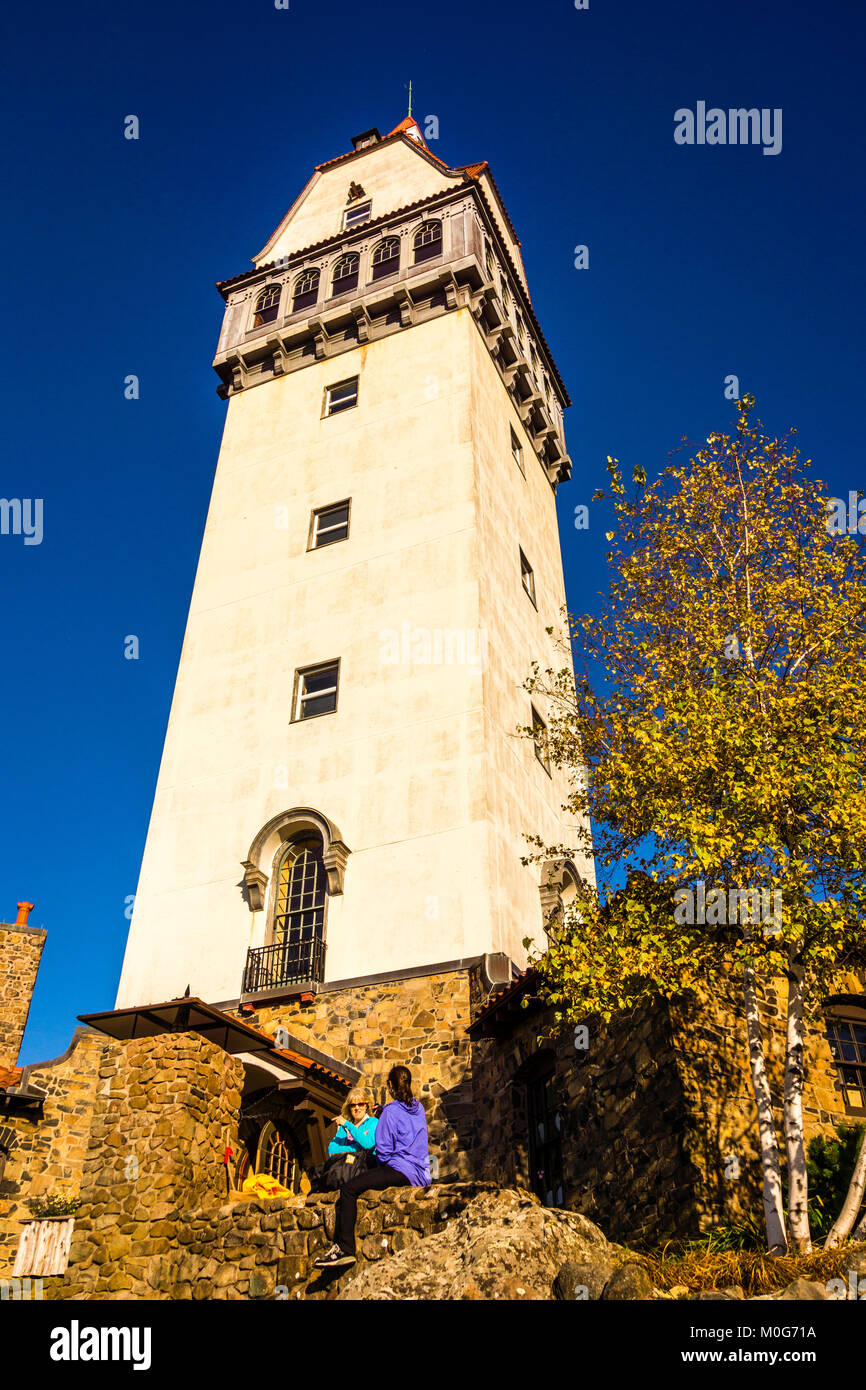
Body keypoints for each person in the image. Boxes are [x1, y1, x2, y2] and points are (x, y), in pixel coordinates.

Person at [314, 1064, 430, 1268]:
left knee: (349, 1189)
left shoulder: (390, 1113)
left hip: (400, 1170)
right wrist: (384, 1112)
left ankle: (345, 1249)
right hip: (421, 1172)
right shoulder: (418, 1108)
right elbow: (404, 1119)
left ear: (390, 1086)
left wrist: (385, 1116)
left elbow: (383, 1152)